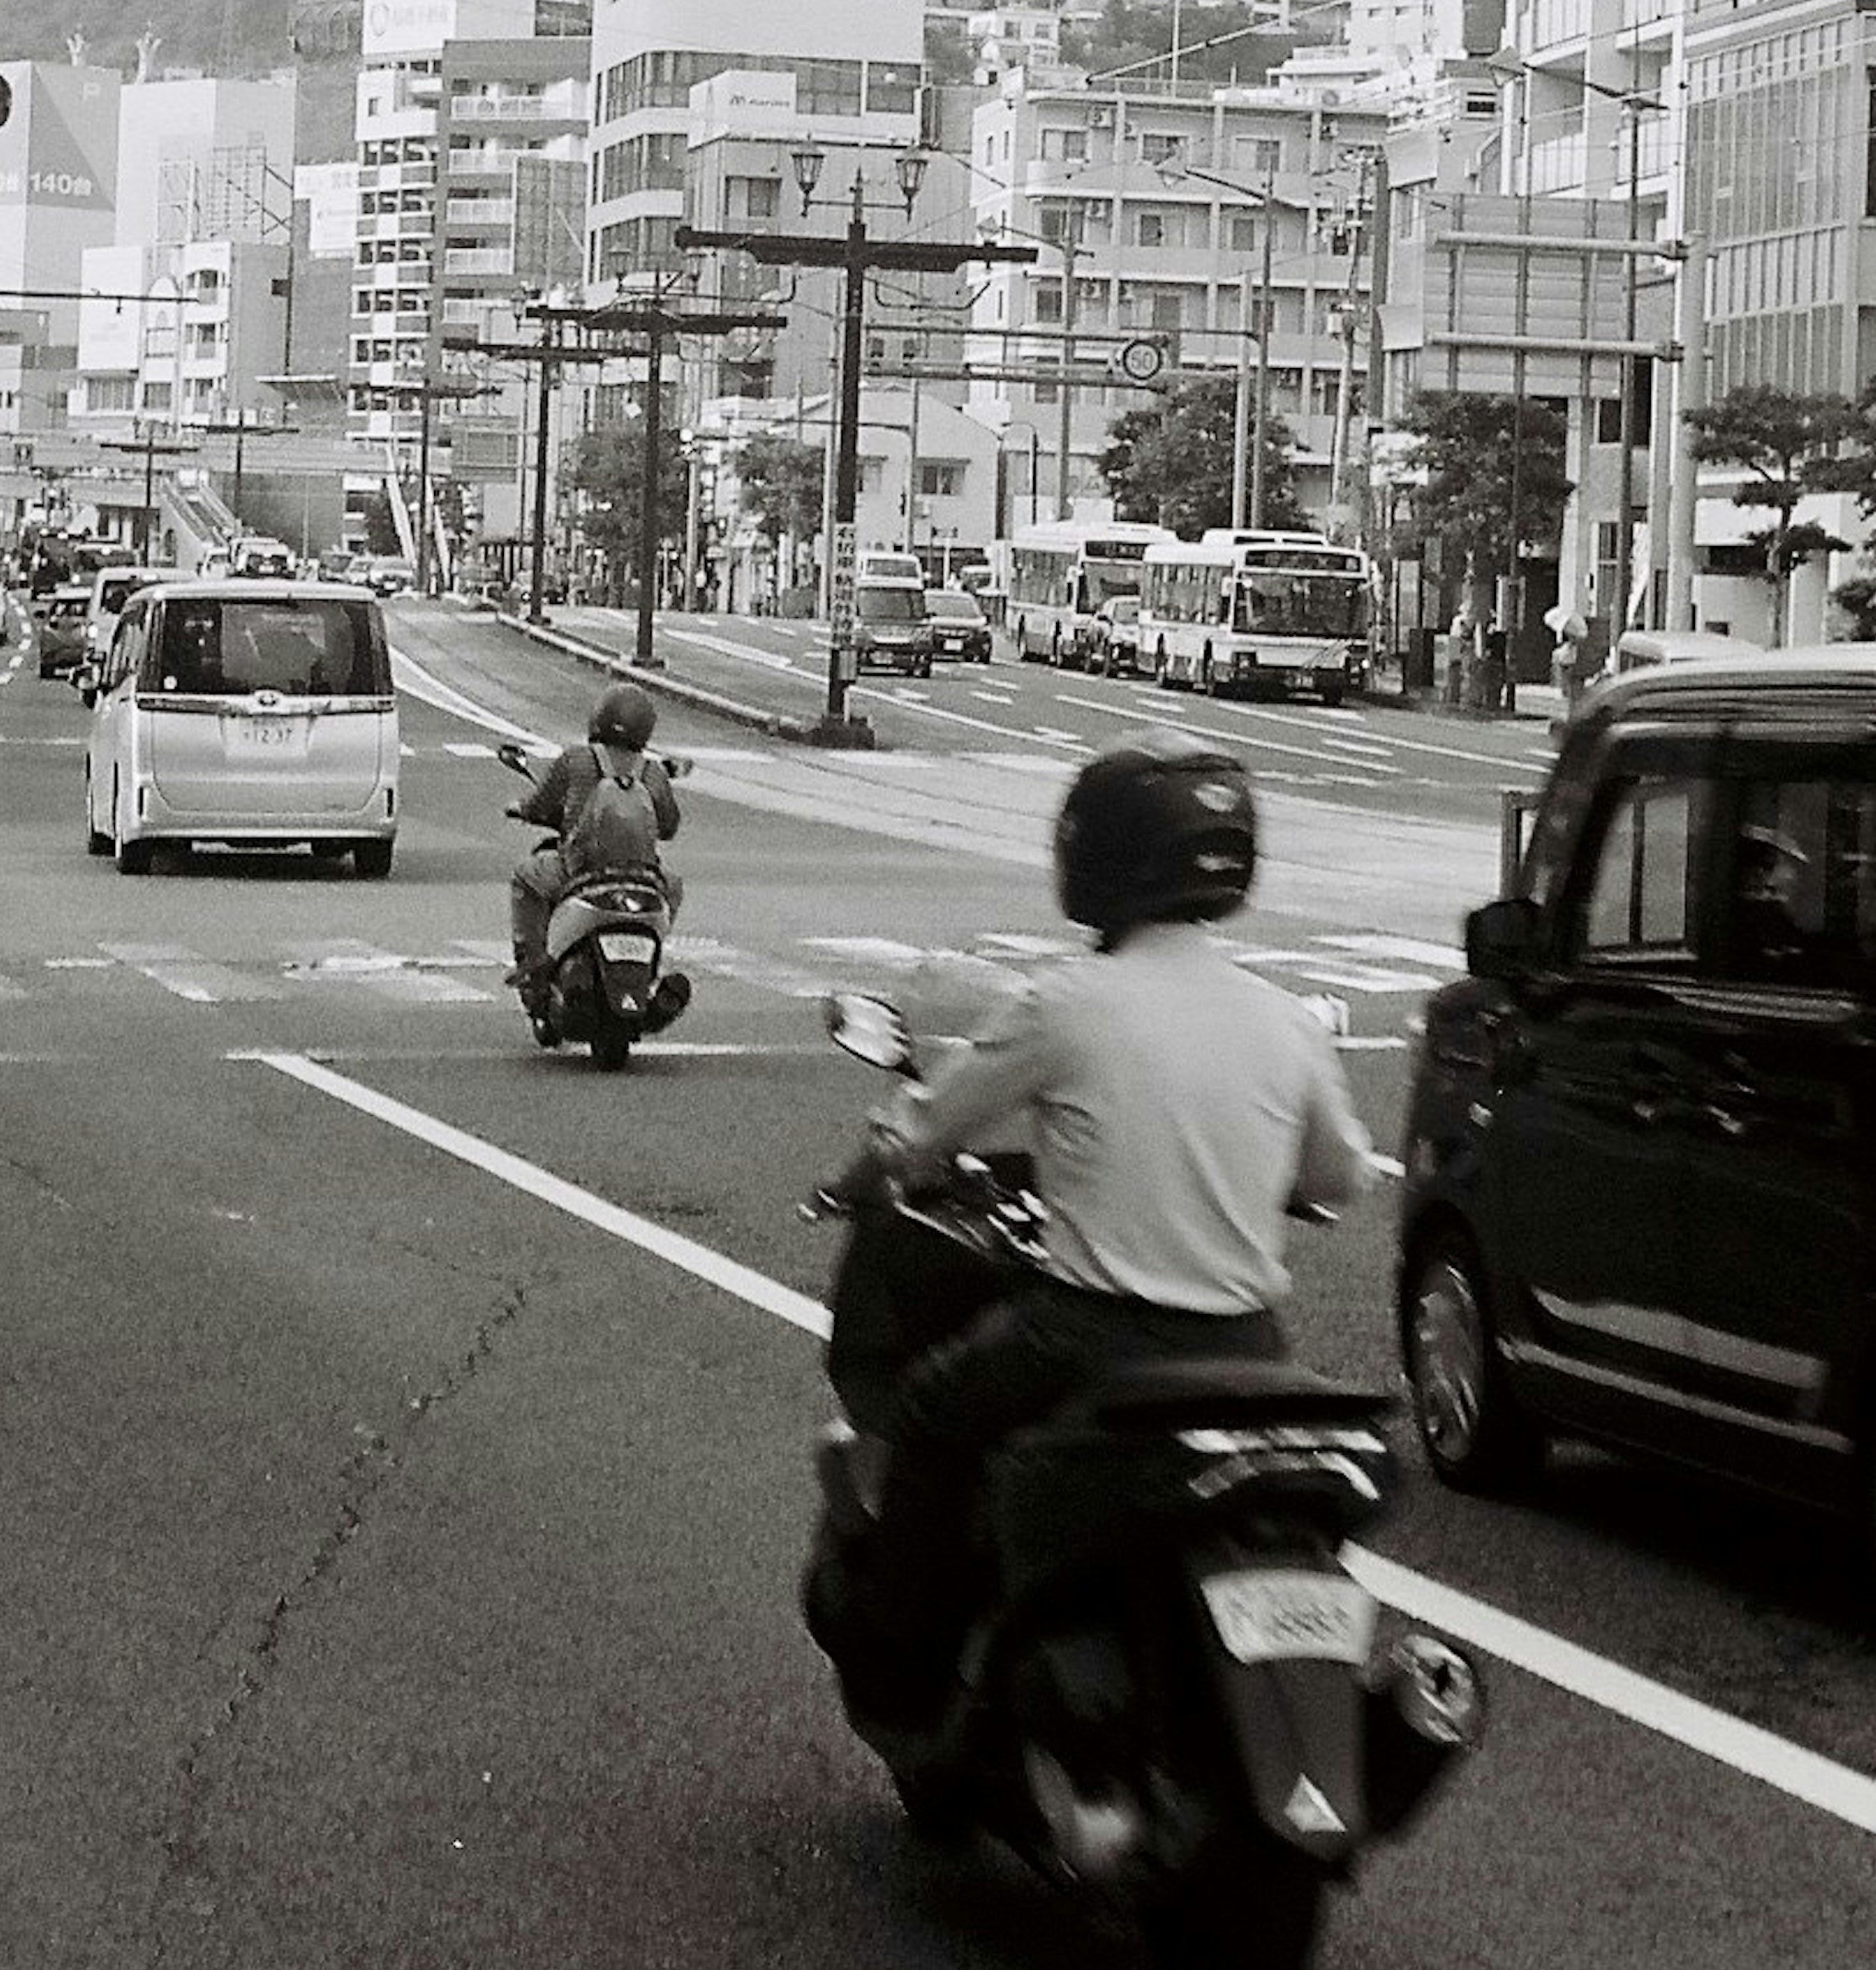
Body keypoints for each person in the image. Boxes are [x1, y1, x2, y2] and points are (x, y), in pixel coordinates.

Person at [816, 743, 1375, 1735]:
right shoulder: (1289, 1021)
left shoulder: (1067, 1002)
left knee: (933, 1415)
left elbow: (920, 1131)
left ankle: (901, 1665)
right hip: (1251, 1346)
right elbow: (1338, 1180)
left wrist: (858, 1174)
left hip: (1090, 1336)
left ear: (1098, 860)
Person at [508, 683, 683, 993]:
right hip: (643, 878)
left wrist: (520, 809)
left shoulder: (577, 760)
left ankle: (531, 964)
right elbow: (669, 826)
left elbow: (540, 803)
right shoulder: (653, 772)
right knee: (674, 886)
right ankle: (650, 955)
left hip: (581, 871)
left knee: (525, 876)